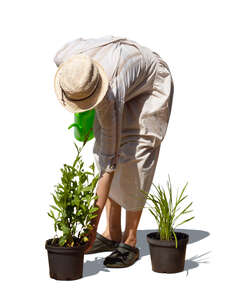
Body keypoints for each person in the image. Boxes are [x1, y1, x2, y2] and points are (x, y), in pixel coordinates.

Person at [53, 35, 174, 268]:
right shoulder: (65, 60)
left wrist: (90, 226)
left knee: (136, 155)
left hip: (151, 82)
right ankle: (111, 233)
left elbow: (109, 166)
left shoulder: (112, 93)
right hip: (120, 73)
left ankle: (129, 240)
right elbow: (105, 155)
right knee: (102, 149)